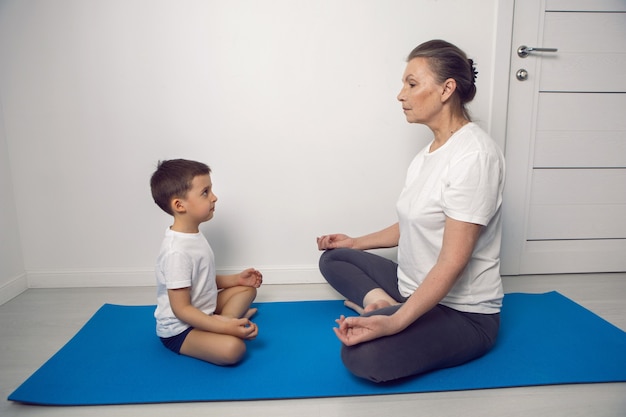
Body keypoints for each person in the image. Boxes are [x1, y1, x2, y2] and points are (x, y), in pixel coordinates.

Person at [316, 39, 505, 383]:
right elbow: (412, 224)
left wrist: (395, 322)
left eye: (412, 84)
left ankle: (390, 310)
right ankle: (383, 301)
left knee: (363, 357)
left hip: (462, 312)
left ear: (447, 89)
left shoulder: (474, 156)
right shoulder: (427, 154)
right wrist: (354, 242)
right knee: (334, 258)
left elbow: (453, 260)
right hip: (411, 286)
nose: (400, 95)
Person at [150, 159, 263, 366]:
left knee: (246, 291)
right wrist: (224, 328)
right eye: (205, 192)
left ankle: (226, 319)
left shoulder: (193, 235)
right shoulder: (176, 252)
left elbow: (202, 279)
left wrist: (236, 279)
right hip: (181, 330)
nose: (214, 197)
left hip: (204, 309)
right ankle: (225, 324)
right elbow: (181, 310)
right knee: (233, 349)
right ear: (179, 205)